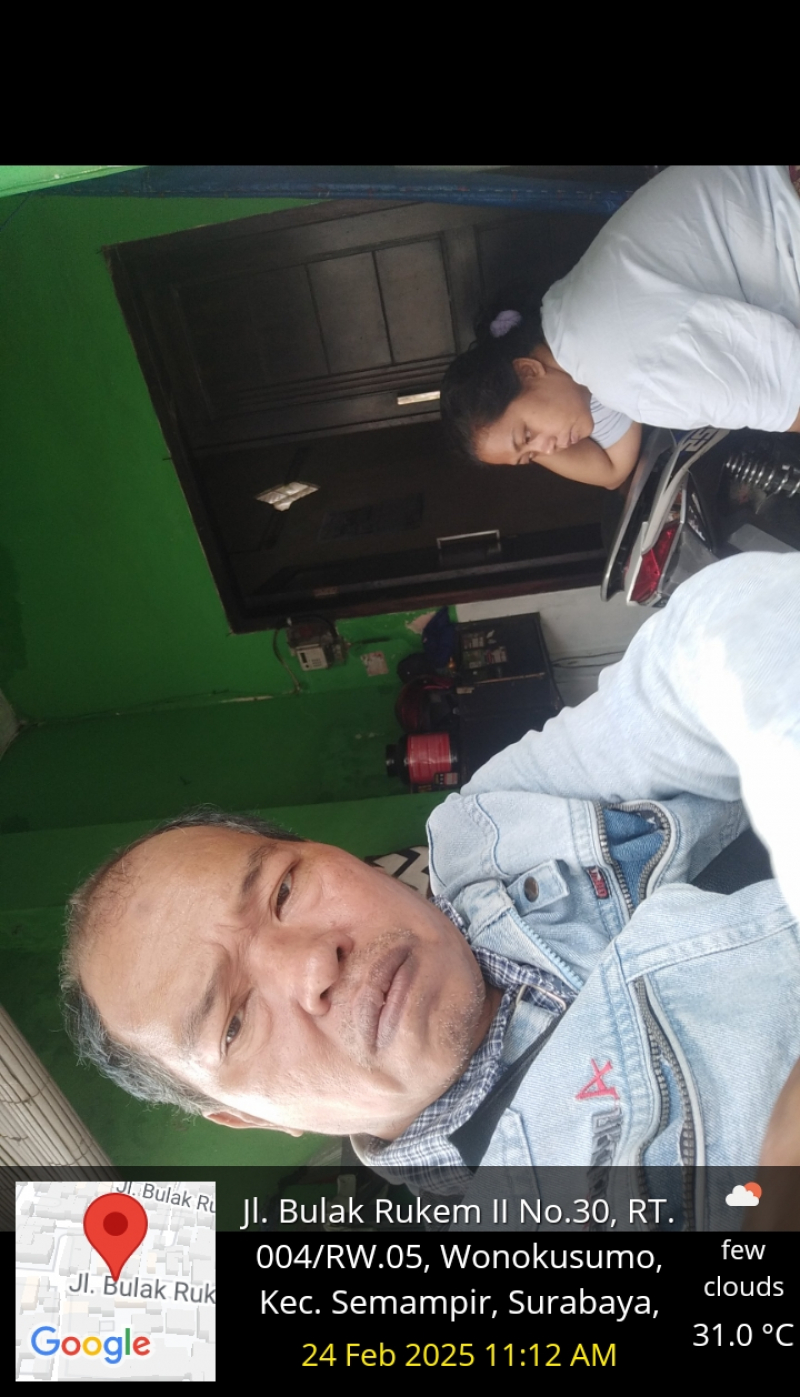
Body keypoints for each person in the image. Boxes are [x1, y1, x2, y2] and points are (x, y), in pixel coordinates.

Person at [60, 554, 800, 1201]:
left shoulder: (487, 826)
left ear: (329, 852)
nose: (314, 962)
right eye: (234, 1022)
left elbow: (712, 636)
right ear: (249, 1118)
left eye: (284, 890)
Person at [441, 166, 800, 488]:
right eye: (532, 456)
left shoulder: (625, 375)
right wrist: (524, 436)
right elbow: (610, 471)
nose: (549, 449)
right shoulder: (570, 307)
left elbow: (791, 399)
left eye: (528, 435)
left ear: (527, 370)